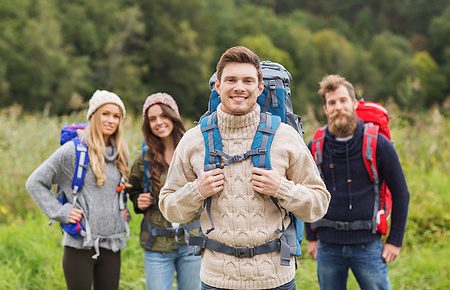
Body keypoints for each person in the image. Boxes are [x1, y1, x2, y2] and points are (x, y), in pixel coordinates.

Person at [158, 46, 330, 290]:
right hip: (217, 280)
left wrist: (281, 188)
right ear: (218, 86)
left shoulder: (285, 136)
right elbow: (169, 208)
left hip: (275, 279)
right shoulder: (193, 140)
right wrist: (197, 190)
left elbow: (319, 204)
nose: (239, 87)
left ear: (259, 88)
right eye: (231, 80)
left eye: (248, 80)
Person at [305, 75, 410, 290]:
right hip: (327, 245)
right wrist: (311, 238)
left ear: (354, 104)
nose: (338, 107)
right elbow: (308, 193)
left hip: (368, 245)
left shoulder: (378, 144)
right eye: (332, 103)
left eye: (343, 101)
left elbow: (401, 193)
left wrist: (395, 240)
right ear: (325, 109)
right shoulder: (314, 146)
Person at [26, 90, 131, 290]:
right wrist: (62, 212)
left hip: (112, 244)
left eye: (116, 116)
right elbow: (35, 182)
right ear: (93, 116)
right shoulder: (73, 151)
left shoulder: (120, 153)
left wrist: (122, 211)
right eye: (105, 114)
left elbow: (115, 191)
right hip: (79, 245)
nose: (111, 120)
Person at [127, 93, 201, 290]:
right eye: (152, 119)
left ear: (174, 116)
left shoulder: (193, 151)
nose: (159, 122)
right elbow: (132, 189)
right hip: (157, 245)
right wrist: (137, 201)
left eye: (163, 115)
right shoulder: (143, 158)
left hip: (192, 242)